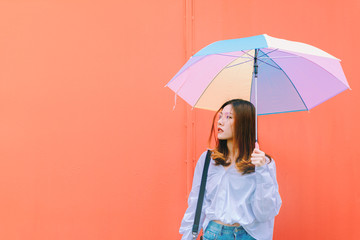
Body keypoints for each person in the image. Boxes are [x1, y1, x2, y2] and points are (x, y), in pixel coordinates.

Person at [179, 99, 282, 240]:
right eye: (221, 116)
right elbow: (197, 203)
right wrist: (187, 237)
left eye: (229, 117)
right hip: (213, 235)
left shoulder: (264, 163)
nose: (220, 122)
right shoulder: (208, 160)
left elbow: (264, 213)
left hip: (247, 235)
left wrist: (262, 171)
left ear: (244, 124)